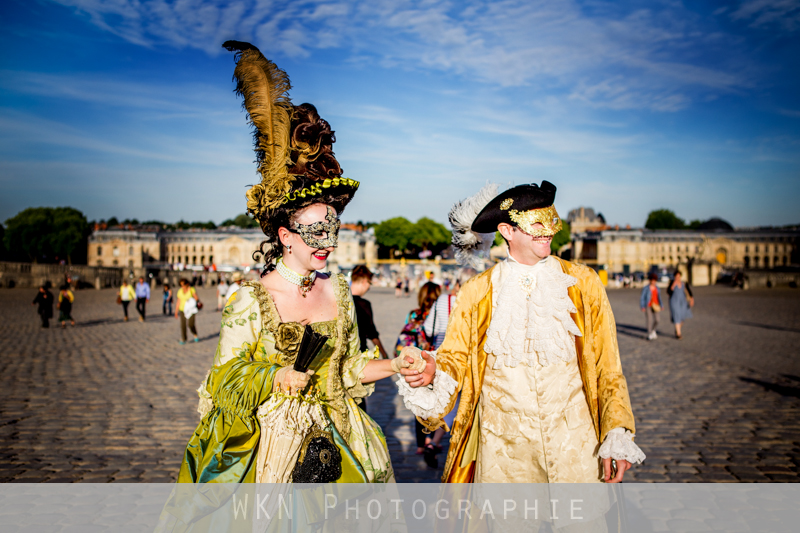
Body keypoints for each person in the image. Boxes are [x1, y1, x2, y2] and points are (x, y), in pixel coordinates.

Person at [177, 42, 423, 485]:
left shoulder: (341, 290)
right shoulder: (253, 300)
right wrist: (276, 376)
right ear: (286, 237)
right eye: (314, 231)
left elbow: (346, 369)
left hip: (344, 440)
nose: (327, 241)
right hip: (273, 448)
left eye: (333, 228)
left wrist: (395, 366)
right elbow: (224, 380)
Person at [397, 181, 645, 483]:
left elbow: (608, 365)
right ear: (507, 231)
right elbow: (455, 359)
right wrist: (434, 369)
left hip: (576, 450)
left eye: (552, 220)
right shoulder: (478, 291)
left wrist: (616, 430)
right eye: (536, 223)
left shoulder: (583, 283)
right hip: (504, 457)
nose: (549, 230)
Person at [395, 282, 441, 461]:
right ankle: (432, 439)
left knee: (418, 406)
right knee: (435, 403)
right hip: (434, 363)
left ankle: (421, 445)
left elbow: (406, 336)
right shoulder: (439, 313)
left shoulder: (413, 314)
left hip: (416, 365)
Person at [668, 270, 693, 339]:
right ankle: (678, 333)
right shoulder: (672, 283)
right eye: (676, 276)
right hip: (674, 302)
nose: (677, 278)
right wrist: (673, 285)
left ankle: (677, 328)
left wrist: (691, 299)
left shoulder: (683, 283)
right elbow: (668, 292)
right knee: (676, 316)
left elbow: (689, 291)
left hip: (682, 302)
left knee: (682, 317)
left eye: (679, 276)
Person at [175, 278, 200, 344]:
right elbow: (178, 301)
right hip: (182, 309)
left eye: (183, 285)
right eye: (181, 285)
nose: (182, 286)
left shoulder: (191, 289)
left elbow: (197, 298)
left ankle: (195, 334)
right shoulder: (180, 291)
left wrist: (192, 298)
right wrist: (176, 311)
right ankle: (184, 338)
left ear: (187, 284)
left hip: (191, 310)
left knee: (190, 324)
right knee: (183, 325)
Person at [640, 272, 662, 340]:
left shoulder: (657, 288)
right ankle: (649, 333)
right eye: (652, 280)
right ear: (650, 280)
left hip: (656, 305)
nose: (653, 281)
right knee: (649, 320)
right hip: (648, 305)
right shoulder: (646, 288)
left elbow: (659, 297)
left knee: (657, 319)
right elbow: (642, 297)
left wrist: (661, 305)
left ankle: (653, 330)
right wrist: (642, 306)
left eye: (654, 280)